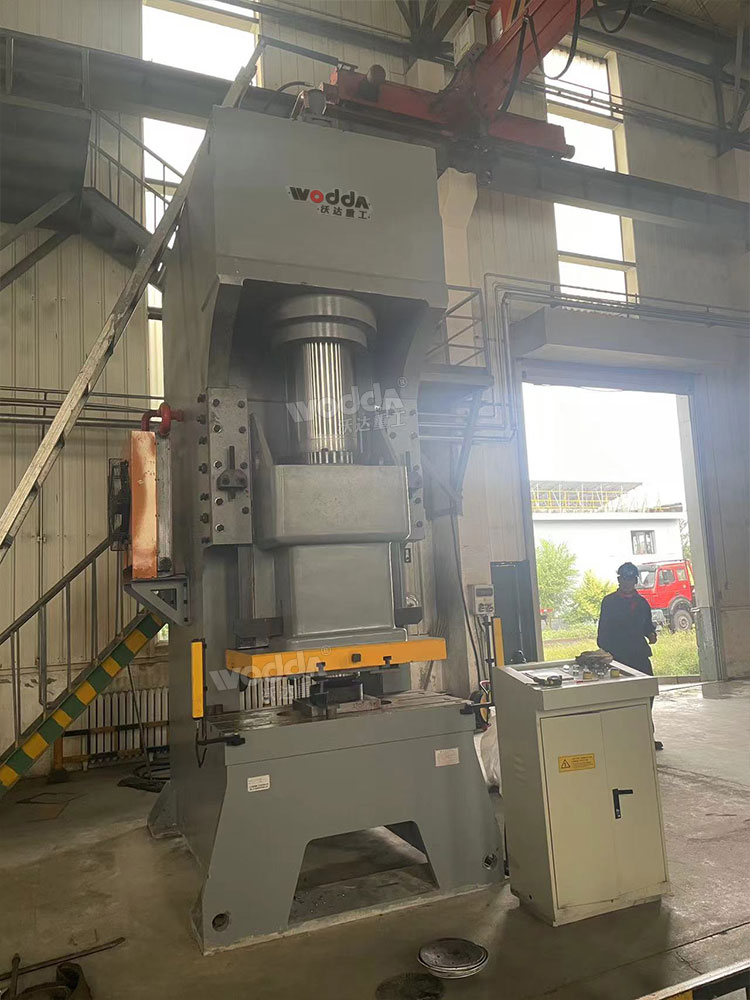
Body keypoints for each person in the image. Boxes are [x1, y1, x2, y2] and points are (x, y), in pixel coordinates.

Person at [597, 561, 663, 750]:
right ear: (619, 580)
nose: (627, 582)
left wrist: (651, 634)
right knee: (621, 698)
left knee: (647, 693)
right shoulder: (609, 602)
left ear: (635, 580)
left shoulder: (641, 603)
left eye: (631, 579)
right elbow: (603, 631)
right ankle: (622, 738)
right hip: (618, 657)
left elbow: (647, 626)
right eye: (624, 579)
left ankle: (646, 736)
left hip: (639, 656)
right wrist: (607, 652)